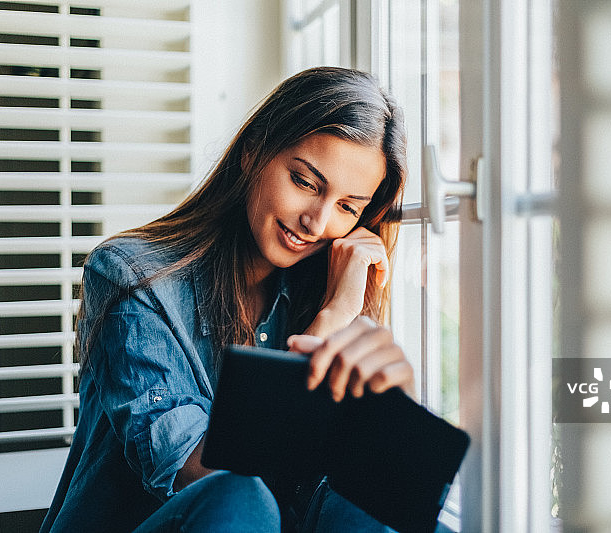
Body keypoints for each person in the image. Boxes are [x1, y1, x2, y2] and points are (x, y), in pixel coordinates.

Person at [40, 66, 431, 532]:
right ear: (252, 152)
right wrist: (328, 326)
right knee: (240, 494)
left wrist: (394, 408)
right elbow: (196, 475)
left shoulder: (327, 287)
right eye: (306, 182)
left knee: (376, 493)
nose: (317, 222)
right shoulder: (132, 276)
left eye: (348, 206)